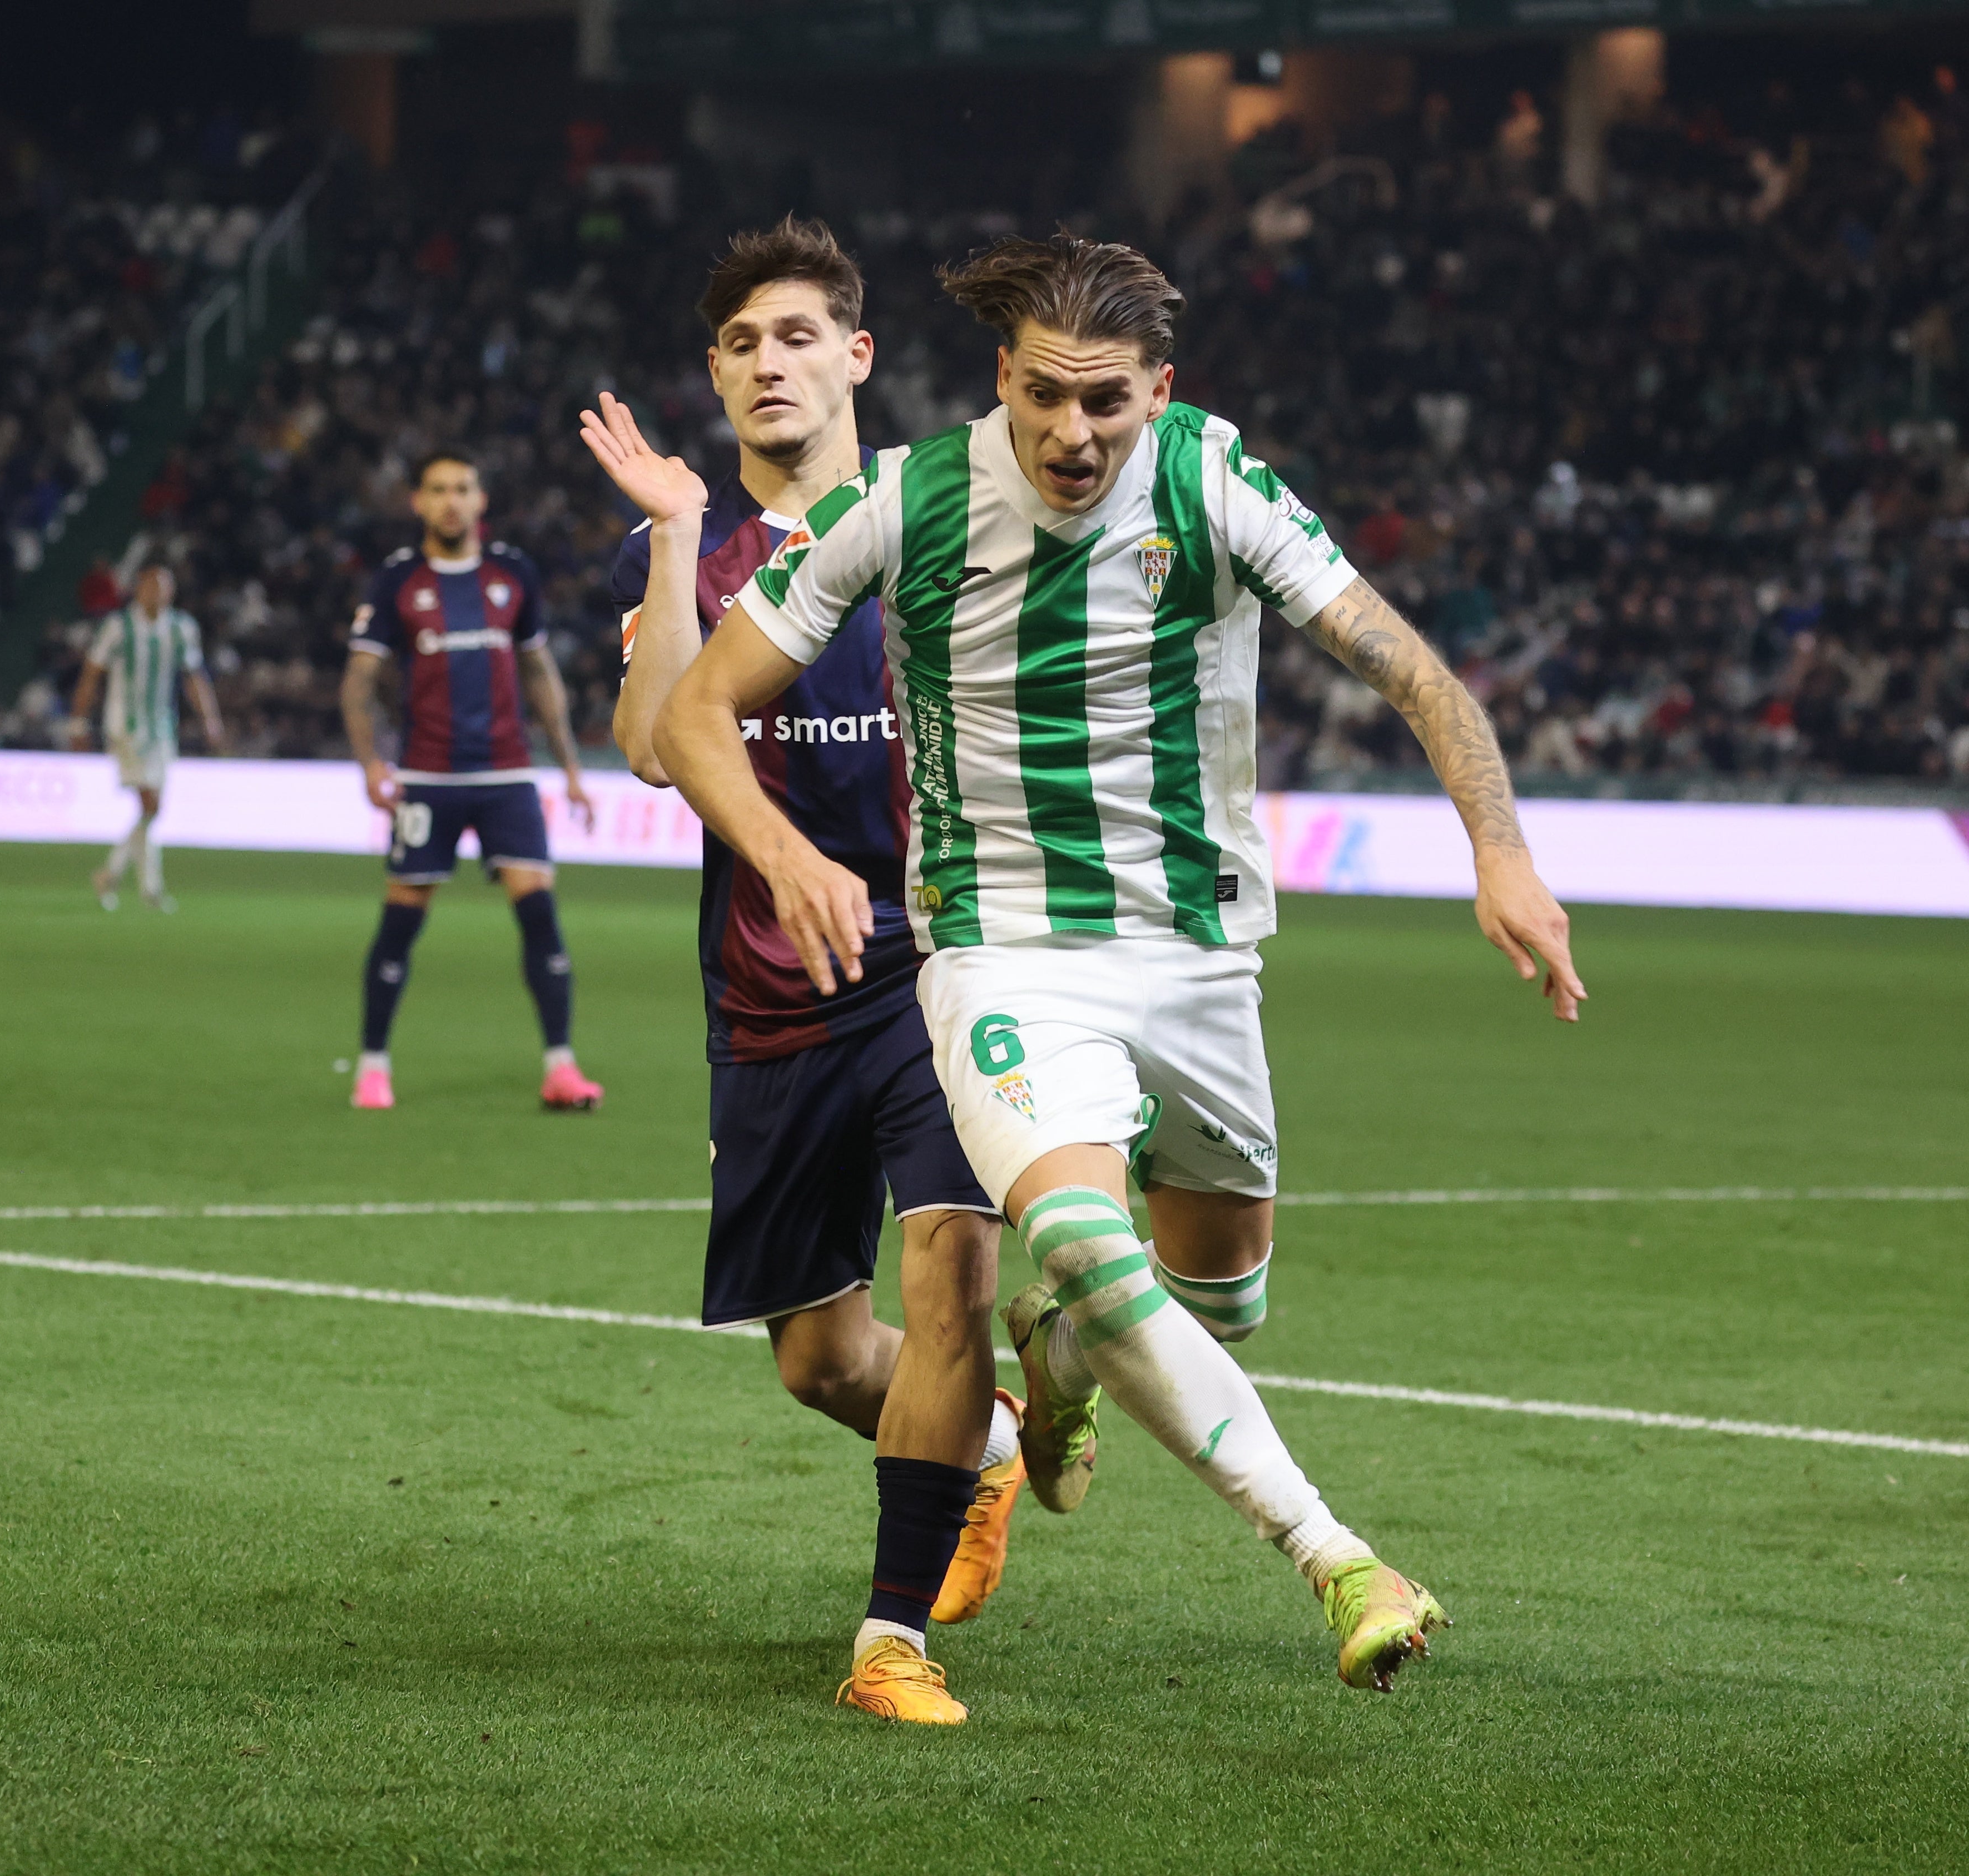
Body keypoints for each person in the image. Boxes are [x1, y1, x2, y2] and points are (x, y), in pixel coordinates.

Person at [659, 234, 1589, 1699]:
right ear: (998, 380)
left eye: (1107, 402)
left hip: (1198, 954)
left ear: (1160, 388)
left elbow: (1408, 663)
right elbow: (700, 712)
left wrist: (1502, 848)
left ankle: (1066, 1366)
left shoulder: (1215, 479)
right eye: (1043, 396)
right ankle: (1339, 1554)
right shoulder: (902, 503)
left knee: (1213, 1299)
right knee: (1082, 1246)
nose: (1072, 433)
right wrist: (785, 855)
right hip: (1002, 952)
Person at [582, 217, 1019, 1727]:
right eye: (740, 344)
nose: (769, 363)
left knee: (953, 1259)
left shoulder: (938, 520)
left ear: (857, 355)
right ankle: (994, 1442)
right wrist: (662, 527)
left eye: (795, 336)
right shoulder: (702, 561)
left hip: (934, 965)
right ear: (716, 379)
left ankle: (890, 1639)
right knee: (822, 1359)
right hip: (770, 990)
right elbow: (650, 751)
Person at [339, 453, 602, 1112]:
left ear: (480, 500)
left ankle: (561, 1067)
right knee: (401, 920)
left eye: (462, 488)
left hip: (508, 773)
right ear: (417, 503)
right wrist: (372, 761)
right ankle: (373, 1065)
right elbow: (359, 681)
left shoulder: (513, 573)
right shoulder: (398, 581)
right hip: (428, 776)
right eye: (438, 490)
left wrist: (569, 768)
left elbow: (539, 672)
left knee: (539, 913)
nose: (451, 501)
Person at [73, 563, 223, 913]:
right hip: (125, 727)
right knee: (150, 803)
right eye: (153, 587)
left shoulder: (181, 628)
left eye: (165, 588)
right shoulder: (118, 627)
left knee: (152, 809)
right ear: (139, 589)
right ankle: (137, 884)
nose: (159, 594)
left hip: (161, 728)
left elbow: (194, 676)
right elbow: (91, 674)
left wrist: (210, 719)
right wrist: (78, 722)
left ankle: (129, 881)